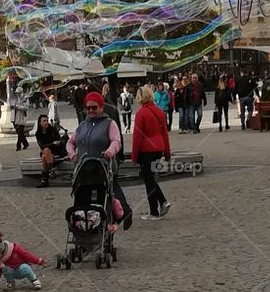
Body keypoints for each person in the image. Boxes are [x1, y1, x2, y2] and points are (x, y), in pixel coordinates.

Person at [67, 91, 126, 222]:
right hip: (83, 172)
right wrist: (72, 154)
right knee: (81, 204)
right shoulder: (82, 126)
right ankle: (81, 229)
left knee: (102, 203)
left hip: (102, 171)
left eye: (94, 107)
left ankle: (105, 226)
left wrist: (110, 151)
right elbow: (70, 142)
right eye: (88, 108)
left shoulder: (109, 123)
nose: (90, 110)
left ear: (101, 107)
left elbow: (116, 141)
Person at [131, 86, 171, 220]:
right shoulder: (159, 112)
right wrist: (167, 153)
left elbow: (137, 137)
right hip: (158, 148)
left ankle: (159, 204)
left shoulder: (141, 113)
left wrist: (134, 156)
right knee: (151, 179)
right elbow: (165, 134)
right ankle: (157, 207)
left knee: (149, 181)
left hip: (146, 150)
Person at [35, 113, 69, 187]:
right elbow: (41, 146)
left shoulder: (53, 129)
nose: (46, 122)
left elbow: (59, 140)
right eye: (44, 121)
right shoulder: (38, 133)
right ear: (40, 123)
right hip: (48, 153)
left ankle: (45, 179)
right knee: (46, 151)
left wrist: (55, 143)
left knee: (44, 156)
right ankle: (50, 170)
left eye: (47, 120)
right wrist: (52, 144)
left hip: (57, 151)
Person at [10, 86, 30, 151]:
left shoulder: (25, 99)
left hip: (21, 117)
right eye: (17, 93)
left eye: (19, 93)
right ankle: (25, 143)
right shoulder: (14, 99)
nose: (17, 94)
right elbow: (11, 106)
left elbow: (26, 108)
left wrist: (17, 106)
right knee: (20, 132)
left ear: (21, 92)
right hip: (14, 117)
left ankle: (18, 146)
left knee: (20, 132)